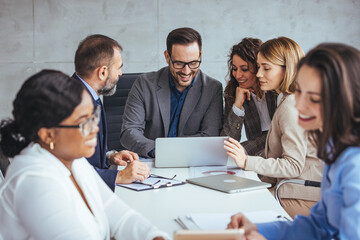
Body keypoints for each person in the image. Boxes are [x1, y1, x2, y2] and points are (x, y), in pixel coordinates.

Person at [0, 70, 169, 240]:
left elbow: (118, 215)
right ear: (48, 135)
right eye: (83, 122)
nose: (95, 129)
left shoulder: (73, 160)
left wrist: (155, 236)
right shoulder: (33, 179)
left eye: (93, 117)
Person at [228, 43, 360, 240]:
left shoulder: (354, 167)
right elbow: (316, 226)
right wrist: (257, 229)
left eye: (313, 98)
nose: (299, 104)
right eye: (299, 93)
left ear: (345, 101)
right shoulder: (336, 156)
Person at [224, 37, 323, 218]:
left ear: (288, 69)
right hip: (294, 188)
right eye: (259, 67)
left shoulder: (291, 104)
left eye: (266, 68)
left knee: (234, 212)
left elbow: (293, 166)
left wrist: (246, 161)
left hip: (301, 194)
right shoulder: (291, 99)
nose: (260, 74)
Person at [120, 27, 223, 158]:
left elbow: (210, 136)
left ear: (200, 56)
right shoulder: (144, 84)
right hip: (151, 160)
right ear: (167, 57)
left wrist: (175, 153)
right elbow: (129, 131)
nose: (186, 71)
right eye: (179, 63)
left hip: (192, 161)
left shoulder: (213, 89)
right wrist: (159, 151)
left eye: (193, 63)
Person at [73, 34, 150, 191]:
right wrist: (118, 177)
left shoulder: (86, 95)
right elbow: (71, 170)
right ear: (103, 72)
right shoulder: (74, 106)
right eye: (119, 67)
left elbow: (85, 156)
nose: (121, 73)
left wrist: (110, 156)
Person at [221, 38, 277, 156]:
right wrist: (237, 106)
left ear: (258, 67)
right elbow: (227, 142)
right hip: (257, 158)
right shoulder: (233, 92)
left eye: (244, 69)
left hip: (281, 154)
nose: (237, 75)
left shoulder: (275, 89)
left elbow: (277, 135)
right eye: (234, 69)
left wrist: (243, 150)